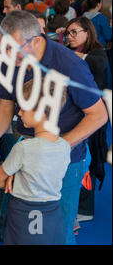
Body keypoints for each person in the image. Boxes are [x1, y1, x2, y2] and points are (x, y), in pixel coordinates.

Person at [0, 10, 108, 245]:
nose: (9, 55)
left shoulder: (69, 64)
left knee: (59, 231)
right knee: (30, 231)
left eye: (15, 48)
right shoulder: (12, 62)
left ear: (38, 40)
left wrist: (55, 148)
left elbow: (99, 115)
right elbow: (6, 105)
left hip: (67, 159)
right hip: (29, 153)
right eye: (5, 47)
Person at [0, 79, 70, 245]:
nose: (19, 113)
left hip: (23, 215)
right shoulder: (65, 146)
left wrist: (15, 177)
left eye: (23, 109)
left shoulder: (23, 148)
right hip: (53, 215)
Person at [63, 17, 109, 223]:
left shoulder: (97, 54)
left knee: (85, 163)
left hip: (93, 118)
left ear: (87, 32)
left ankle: (84, 208)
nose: (70, 36)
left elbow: (94, 63)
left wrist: (67, 54)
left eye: (75, 32)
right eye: (68, 33)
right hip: (74, 115)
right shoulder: (68, 51)